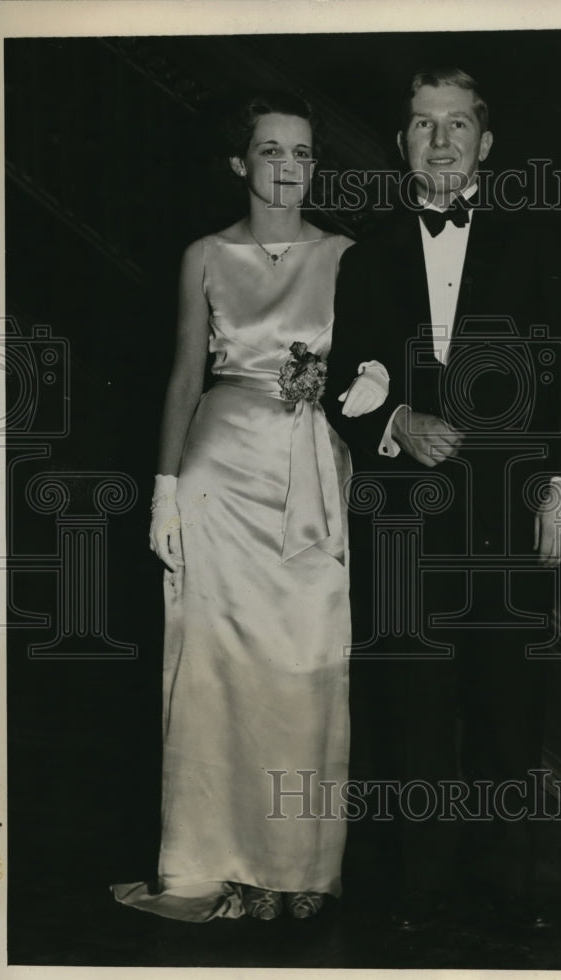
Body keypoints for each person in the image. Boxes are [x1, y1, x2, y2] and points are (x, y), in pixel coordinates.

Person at [325, 68, 561, 930]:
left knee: (506, 702)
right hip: (404, 512)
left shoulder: (539, 244)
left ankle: (506, 892)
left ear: (485, 142)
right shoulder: (367, 252)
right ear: (402, 142)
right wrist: (399, 417)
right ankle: (416, 892)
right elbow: (340, 374)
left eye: (456, 125)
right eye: (420, 126)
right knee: (408, 699)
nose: (439, 141)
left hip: (508, 508)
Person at [112, 92, 387, 923]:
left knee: (307, 664)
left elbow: (374, 358)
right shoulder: (203, 255)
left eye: (302, 154)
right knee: (217, 670)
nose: (287, 168)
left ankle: (297, 868)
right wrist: (164, 488)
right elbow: (184, 378)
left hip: (306, 473)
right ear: (241, 164)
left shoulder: (347, 254)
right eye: (271, 152)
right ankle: (216, 863)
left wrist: (370, 381)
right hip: (218, 473)